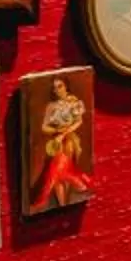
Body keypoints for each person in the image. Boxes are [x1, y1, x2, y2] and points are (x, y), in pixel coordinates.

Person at [26, 81, 92, 212]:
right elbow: (44, 127)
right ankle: (63, 206)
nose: (57, 90)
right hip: (55, 141)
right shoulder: (51, 106)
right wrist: (57, 132)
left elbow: (79, 121)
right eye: (55, 88)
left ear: (66, 86)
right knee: (57, 177)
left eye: (60, 86)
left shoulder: (74, 102)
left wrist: (64, 133)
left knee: (58, 169)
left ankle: (80, 184)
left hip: (70, 140)